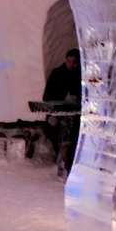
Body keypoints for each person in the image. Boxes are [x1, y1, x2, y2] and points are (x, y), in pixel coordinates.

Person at [42, 48, 81, 178]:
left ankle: (68, 164)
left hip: (74, 114)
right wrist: (63, 98)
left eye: (74, 62)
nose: (71, 65)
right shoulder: (57, 73)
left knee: (74, 133)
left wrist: (75, 98)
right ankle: (62, 163)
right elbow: (46, 96)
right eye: (69, 61)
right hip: (57, 113)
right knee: (57, 130)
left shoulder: (79, 75)